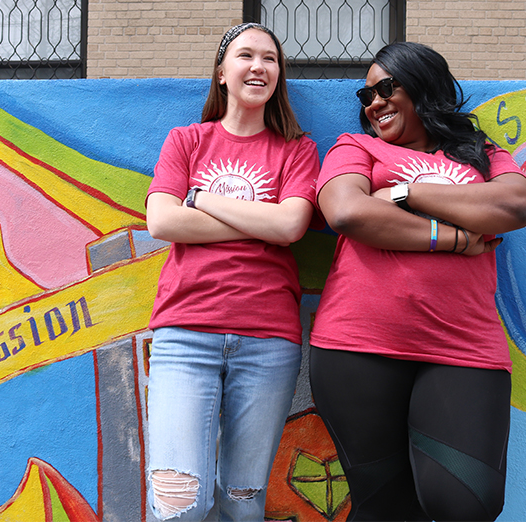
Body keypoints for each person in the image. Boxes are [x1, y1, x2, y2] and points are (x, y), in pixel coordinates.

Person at [309, 41, 526, 522]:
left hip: (465, 347)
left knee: (466, 503)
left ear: (423, 84)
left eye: (385, 88)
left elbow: (512, 207)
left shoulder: (484, 154)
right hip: (358, 345)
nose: (374, 103)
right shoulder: (356, 146)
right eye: (365, 97)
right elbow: (346, 211)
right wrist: (454, 238)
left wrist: (404, 192)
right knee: (386, 507)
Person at [145, 23, 320, 521]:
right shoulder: (186, 141)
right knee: (179, 504)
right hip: (185, 332)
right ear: (222, 73)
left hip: (267, 340)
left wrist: (200, 200)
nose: (259, 67)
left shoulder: (296, 149)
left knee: (243, 506)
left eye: (270, 59)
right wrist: (258, 223)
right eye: (246, 56)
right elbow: (161, 220)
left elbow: (290, 225)